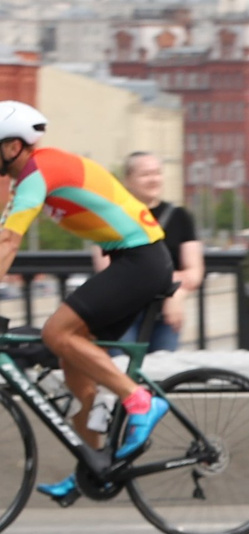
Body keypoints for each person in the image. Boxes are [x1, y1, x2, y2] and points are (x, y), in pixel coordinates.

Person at [0, 105, 176, 480]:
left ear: (14, 146)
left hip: (141, 260)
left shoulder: (37, 172)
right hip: (132, 260)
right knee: (71, 358)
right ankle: (95, 466)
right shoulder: (32, 176)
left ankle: (139, 402)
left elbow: (8, 243)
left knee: (55, 332)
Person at [84, 151, 202, 354]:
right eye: (145, 174)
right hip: (121, 313)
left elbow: (194, 272)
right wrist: (170, 283)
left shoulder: (179, 217)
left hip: (164, 311)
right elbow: (107, 272)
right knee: (121, 371)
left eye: (157, 173)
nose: (153, 179)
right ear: (127, 180)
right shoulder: (110, 216)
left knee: (162, 375)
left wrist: (178, 296)